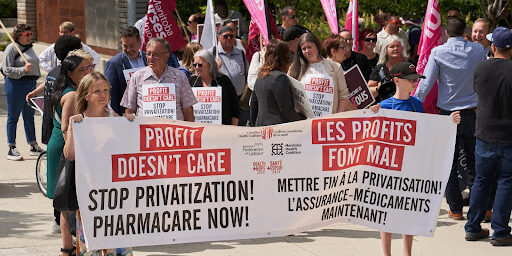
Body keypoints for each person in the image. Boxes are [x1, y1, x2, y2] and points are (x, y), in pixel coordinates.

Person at [370, 62, 461, 256]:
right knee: (385, 213)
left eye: (416, 80)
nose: (414, 83)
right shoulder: (385, 106)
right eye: (410, 80)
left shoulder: (416, 104)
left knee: (407, 212)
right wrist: (373, 113)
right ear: (396, 80)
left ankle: (407, 253)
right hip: (389, 168)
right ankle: (386, 253)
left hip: (411, 167)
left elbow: (427, 129)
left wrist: (449, 122)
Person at [414, 17, 486, 220]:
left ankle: (455, 209)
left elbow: (426, 84)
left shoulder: (438, 52)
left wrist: (413, 103)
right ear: (465, 32)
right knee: (475, 162)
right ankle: (480, 208)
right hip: (472, 113)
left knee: (449, 163)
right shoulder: (478, 50)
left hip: (447, 115)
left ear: (446, 33)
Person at [62, 72, 135, 255]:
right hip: (90, 195)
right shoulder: (80, 121)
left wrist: (131, 126)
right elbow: (70, 155)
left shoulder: (114, 118)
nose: (103, 95)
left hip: (116, 194)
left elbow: (128, 150)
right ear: (86, 94)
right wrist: (72, 127)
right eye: (97, 91)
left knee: (118, 245)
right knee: (92, 247)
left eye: (105, 90)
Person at [464, 27, 512, 246]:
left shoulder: (481, 68)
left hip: (484, 133)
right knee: (506, 182)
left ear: (493, 47)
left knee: (481, 181)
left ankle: (473, 227)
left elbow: (478, 92)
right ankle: (500, 232)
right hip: (509, 136)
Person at [48, 51, 94, 256]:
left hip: (63, 145)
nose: (87, 72)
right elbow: (67, 127)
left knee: (67, 201)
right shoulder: (72, 94)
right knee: (68, 202)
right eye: (82, 69)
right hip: (69, 149)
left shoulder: (71, 89)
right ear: (69, 73)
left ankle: (68, 248)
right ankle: (67, 249)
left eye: (89, 68)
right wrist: (75, 154)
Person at [121, 38, 197, 121]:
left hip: (174, 132)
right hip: (146, 131)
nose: (151, 57)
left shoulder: (179, 77)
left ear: (167, 56)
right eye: (148, 54)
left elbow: (188, 110)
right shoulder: (136, 77)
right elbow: (129, 110)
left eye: (155, 54)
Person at [1, 24, 44, 160]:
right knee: (13, 117)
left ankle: (33, 145)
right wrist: (22, 70)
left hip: (31, 85)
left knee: (29, 116)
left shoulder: (30, 48)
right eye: (27, 35)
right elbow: (6, 69)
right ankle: (11, 148)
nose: (29, 37)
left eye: (30, 34)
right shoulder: (11, 48)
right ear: (19, 35)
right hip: (15, 85)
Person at [288, 33, 350, 116]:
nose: (307, 51)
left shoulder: (335, 67)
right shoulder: (294, 68)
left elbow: (343, 95)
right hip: (303, 122)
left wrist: (337, 117)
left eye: (309, 47)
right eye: (304, 48)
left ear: (317, 46)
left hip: (328, 122)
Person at [250, 39, 305, 126]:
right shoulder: (280, 78)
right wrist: (304, 120)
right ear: (285, 57)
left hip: (261, 128)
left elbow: (253, 105)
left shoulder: (260, 77)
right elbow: (286, 110)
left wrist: (254, 127)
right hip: (277, 131)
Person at [209, 26, 249, 126]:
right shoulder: (211, 53)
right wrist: (214, 68)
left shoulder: (241, 53)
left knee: (241, 129)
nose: (229, 39)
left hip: (240, 100)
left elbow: (247, 73)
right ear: (219, 38)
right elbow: (202, 73)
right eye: (225, 36)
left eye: (231, 36)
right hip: (222, 101)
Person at [104, 26, 147, 116]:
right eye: (125, 46)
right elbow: (111, 95)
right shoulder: (114, 64)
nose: (128, 50)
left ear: (140, 42)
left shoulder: (148, 58)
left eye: (132, 45)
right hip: (125, 117)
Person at [189, 50, 239, 125]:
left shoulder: (223, 80)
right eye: (194, 65)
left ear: (210, 64)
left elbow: (235, 107)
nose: (196, 68)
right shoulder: (191, 82)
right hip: (198, 130)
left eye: (200, 65)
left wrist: (233, 128)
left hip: (223, 129)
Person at [368, 36, 407, 101]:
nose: (395, 48)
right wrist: (379, 88)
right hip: (385, 106)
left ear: (402, 48)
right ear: (386, 50)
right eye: (392, 47)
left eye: (398, 46)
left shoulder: (410, 65)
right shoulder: (380, 69)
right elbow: (368, 92)